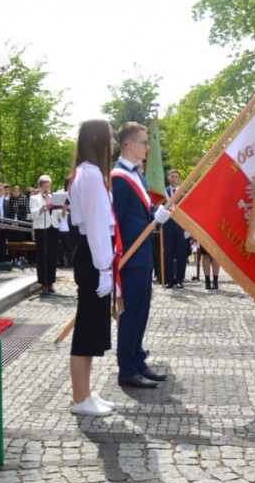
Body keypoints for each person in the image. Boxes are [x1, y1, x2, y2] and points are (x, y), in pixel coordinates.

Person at [111, 122, 172, 389]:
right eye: (144, 142)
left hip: (143, 254)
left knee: (142, 311)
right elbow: (116, 221)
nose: (148, 147)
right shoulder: (118, 177)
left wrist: (155, 217)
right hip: (130, 256)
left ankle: (137, 361)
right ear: (129, 144)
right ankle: (126, 368)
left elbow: (140, 215)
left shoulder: (138, 175)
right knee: (131, 313)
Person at [66, 120, 118, 416]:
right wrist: (104, 269)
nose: (113, 143)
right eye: (109, 137)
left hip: (93, 253)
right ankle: (79, 398)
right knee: (86, 328)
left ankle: (85, 392)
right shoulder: (91, 175)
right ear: (97, 140)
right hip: (93, 255)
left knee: (92, 327)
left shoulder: (90, 173)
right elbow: (97, 225)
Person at [31, 175, 63, 293]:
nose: (46, 189)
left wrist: (64, 209)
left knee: (52, 256)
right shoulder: (34, 198)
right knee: (42, 256)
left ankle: (51, 282)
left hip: (53, 228)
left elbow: (60, 216)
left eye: (48, 186)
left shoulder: (54, 197)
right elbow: (33, 215)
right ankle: (43, 282)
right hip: (41, 229)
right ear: (39, 187)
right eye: (44, 186)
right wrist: (45, 207)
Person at [163, 170, 188, 288]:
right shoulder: (164, 192)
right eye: (172, 176)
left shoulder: (185, 192)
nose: (174, 178)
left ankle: (180, 279)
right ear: (168, 178)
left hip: (181, 226)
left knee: (181, 254)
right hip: (168, 225)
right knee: (168, 253)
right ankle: (169, 280)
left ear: (179, 179)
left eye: (176, 176)